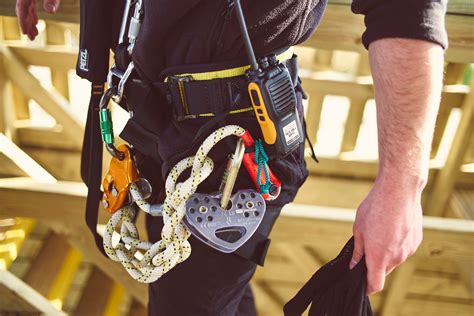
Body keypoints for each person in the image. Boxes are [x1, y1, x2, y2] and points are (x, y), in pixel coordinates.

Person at [16, 0, 448, 315]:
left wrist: (402, 183)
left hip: (234, 149)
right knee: (206, 295)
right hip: (155, 122)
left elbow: (407, 8)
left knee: (188, 302)